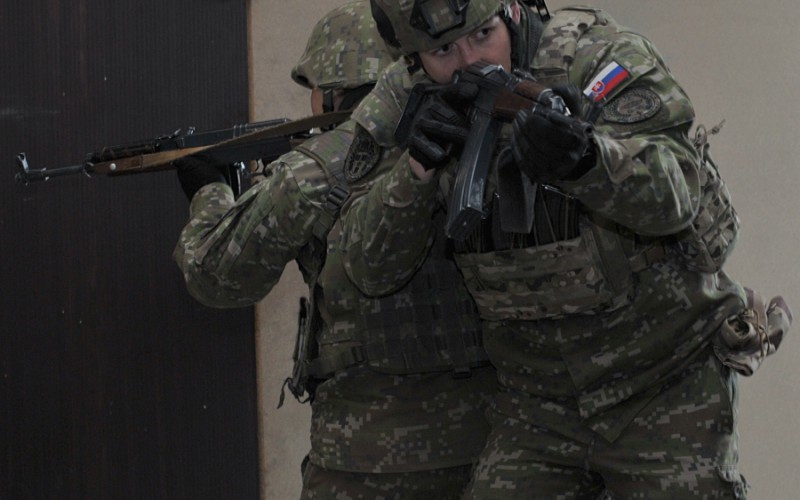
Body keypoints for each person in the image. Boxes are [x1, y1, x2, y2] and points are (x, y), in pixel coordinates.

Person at [336, 0, 792, 498]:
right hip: (535, 404)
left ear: (512, 11)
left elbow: (678, 194)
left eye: (484, 34)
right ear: (413, 59)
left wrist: (588, 160)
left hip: (663, 379)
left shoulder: (598, 58)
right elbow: (367, 269)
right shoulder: (403, 97)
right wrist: (415, 171)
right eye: (443, 51)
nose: (471, 63)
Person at [172, 1, 496, 498]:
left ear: (330, 91)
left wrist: (209, 191)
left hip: (367, 456)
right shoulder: (479, 138)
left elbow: (216, 276)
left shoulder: (316, 169)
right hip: (497, 445)